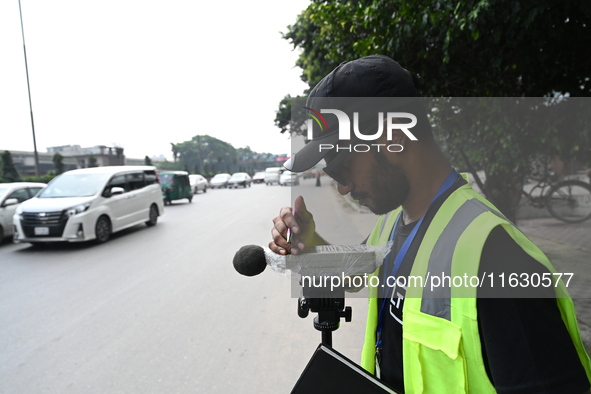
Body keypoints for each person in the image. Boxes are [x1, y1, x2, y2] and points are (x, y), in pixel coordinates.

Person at [269, 55, 591, 393]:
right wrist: (311, 241)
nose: (342, 186)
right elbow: (353, 270)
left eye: (341, 165)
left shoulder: (496, 259)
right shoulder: (396, 220)